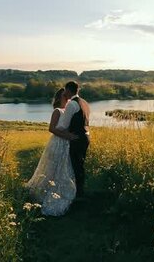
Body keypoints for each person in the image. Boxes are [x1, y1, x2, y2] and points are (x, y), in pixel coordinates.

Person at [25, 88, 78, 216]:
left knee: (63, 168)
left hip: (66, 144)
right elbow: (51, 128)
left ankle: (63, 190)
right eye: (65, 95)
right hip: (58, 143)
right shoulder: (57, 111)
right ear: (61, 97)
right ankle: (46, 193)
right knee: (53, 168)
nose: (67, 97)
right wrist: (68, 136)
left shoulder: (69, 109)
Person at [59, 81, 91, 198]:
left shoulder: (72, 104)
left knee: (75, 166)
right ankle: (80, 191)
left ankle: (78, 193)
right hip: (86, 136)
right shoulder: (85, 102)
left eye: (65, 90)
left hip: (76, 138)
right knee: (80, 165)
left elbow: (63, 125)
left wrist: (55, 126)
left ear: (68, 90)